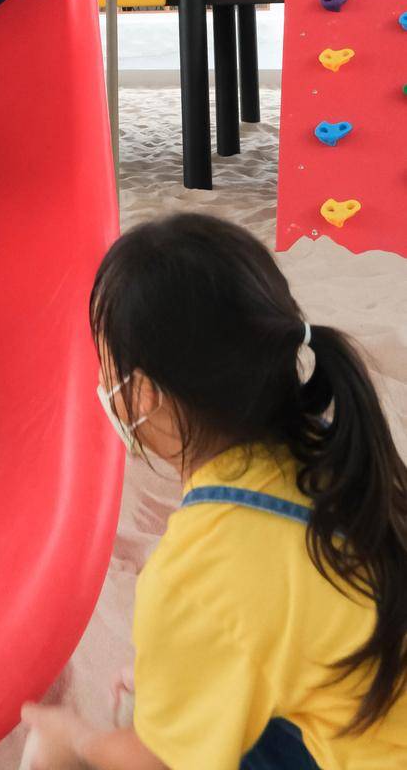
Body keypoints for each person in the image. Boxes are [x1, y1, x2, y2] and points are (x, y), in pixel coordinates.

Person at [21, 213, 407, 770]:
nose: (103, 383)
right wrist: (189, 666)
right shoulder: (328, 447)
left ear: (147, 394)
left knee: (50, 757)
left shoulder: (199, 572)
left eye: (106, 361)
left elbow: (155, 763)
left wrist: (75, 740)